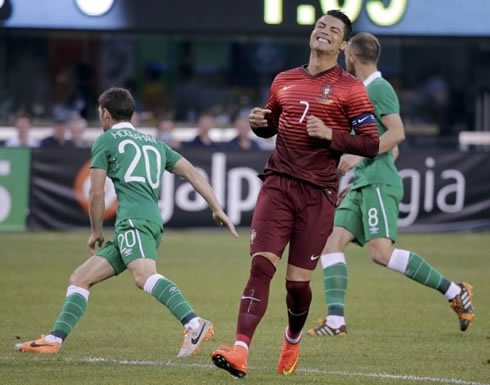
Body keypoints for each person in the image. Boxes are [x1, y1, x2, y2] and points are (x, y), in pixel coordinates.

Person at [211, 10, 380, 378]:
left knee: (296, 284)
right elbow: (271, 125)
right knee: (260, 266)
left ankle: (292, 337)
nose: (324, 32)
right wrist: (261, 124)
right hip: (278, 185)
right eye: (321, 26)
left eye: (334, 30)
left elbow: (371, 143)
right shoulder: (284, 79)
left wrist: (331, 136)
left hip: (318, 195)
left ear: (343, 45)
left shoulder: (350, 88)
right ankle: (240, 350)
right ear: (313, 32)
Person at [15, 87, 238, 357]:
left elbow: (96, 192)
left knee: (143, 276)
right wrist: (217, 208)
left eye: (100, 113)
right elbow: (192, 173)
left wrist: (96, 231)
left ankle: (194, 323)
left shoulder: (106, 140)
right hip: (146, 222)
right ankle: (54, 339)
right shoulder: (156, 144)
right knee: (80, 278)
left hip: (134, 221)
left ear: (105, 114)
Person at [308, 33, 474, 338]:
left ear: (352, 57)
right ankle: (335, 322)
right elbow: (390, 147)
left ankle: (455, 290)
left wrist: (359, 157)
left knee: (381, 254)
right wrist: (359, 175)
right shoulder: (363, 90)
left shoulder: (379, 88)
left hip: (379, 183)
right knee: (331, 243)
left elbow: (397, 134)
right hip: (365, 183)